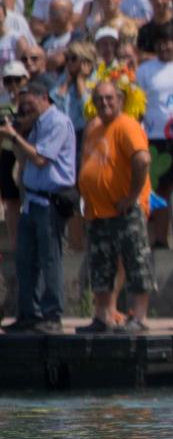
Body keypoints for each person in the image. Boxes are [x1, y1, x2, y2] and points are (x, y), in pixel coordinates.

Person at [76, 78, 155, 333]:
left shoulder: (127, 126)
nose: (104, 103)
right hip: (97, 212)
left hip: (125, 210)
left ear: (120, 100)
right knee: (100, 266)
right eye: (99, 99)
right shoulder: (93, 127)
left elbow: (142, 160)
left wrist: (133, 196)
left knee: (136, 262)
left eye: (110, 98)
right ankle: (103, 317)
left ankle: (139, 318)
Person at [3, 73, 76, 334]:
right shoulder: (35, 125)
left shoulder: (57, 122)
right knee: (25, 259)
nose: (25, 110)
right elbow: (23, 157)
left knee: (49, 259)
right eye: (23, 106)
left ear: (44, 98)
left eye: (29, 104)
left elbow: (41, 159)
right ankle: (28, 314)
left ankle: (52, 315)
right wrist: (19, 132)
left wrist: (15, 136)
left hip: (49, 202)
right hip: (30, 201)